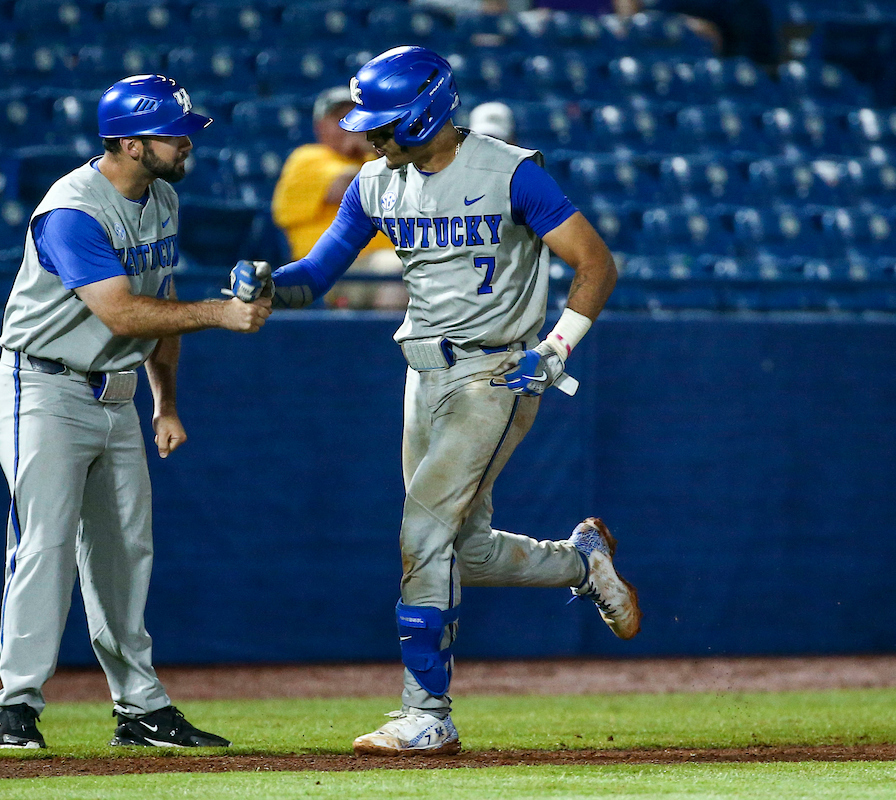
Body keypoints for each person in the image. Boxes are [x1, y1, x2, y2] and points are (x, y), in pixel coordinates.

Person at [234, 46, 640, 755]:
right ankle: (583, 563)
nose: (370, 136)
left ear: (426, 112)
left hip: (497, 372)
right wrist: (271, 282)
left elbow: (596, 262)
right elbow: (320, 272)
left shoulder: (511, 170)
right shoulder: (375, 182)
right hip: (422, 373)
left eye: (384, 123)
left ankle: (427, 713)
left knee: (421, 537)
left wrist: (556, 348)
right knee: (460, 549)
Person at [0, 74, 271, 750]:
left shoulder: (162, 197)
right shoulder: (72, 210)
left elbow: (158, 303)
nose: (186, 141)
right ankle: (15, 705)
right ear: (130, 142)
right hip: (42, 387)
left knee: (124, 554)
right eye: (174, 132)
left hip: (114, 391)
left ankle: (139, 707)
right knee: (45, 546)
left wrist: (165, 401)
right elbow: (120, 310)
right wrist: (222, 315)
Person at [271, 86, 406, 310]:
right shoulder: (308, 158)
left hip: (382, 260)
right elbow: (347, 188)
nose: (348, 125)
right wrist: (379, 152)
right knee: (397, 271)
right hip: (330, 268)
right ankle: (385, 342)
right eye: (339, 118)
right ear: (319, 127)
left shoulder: (379, 161)